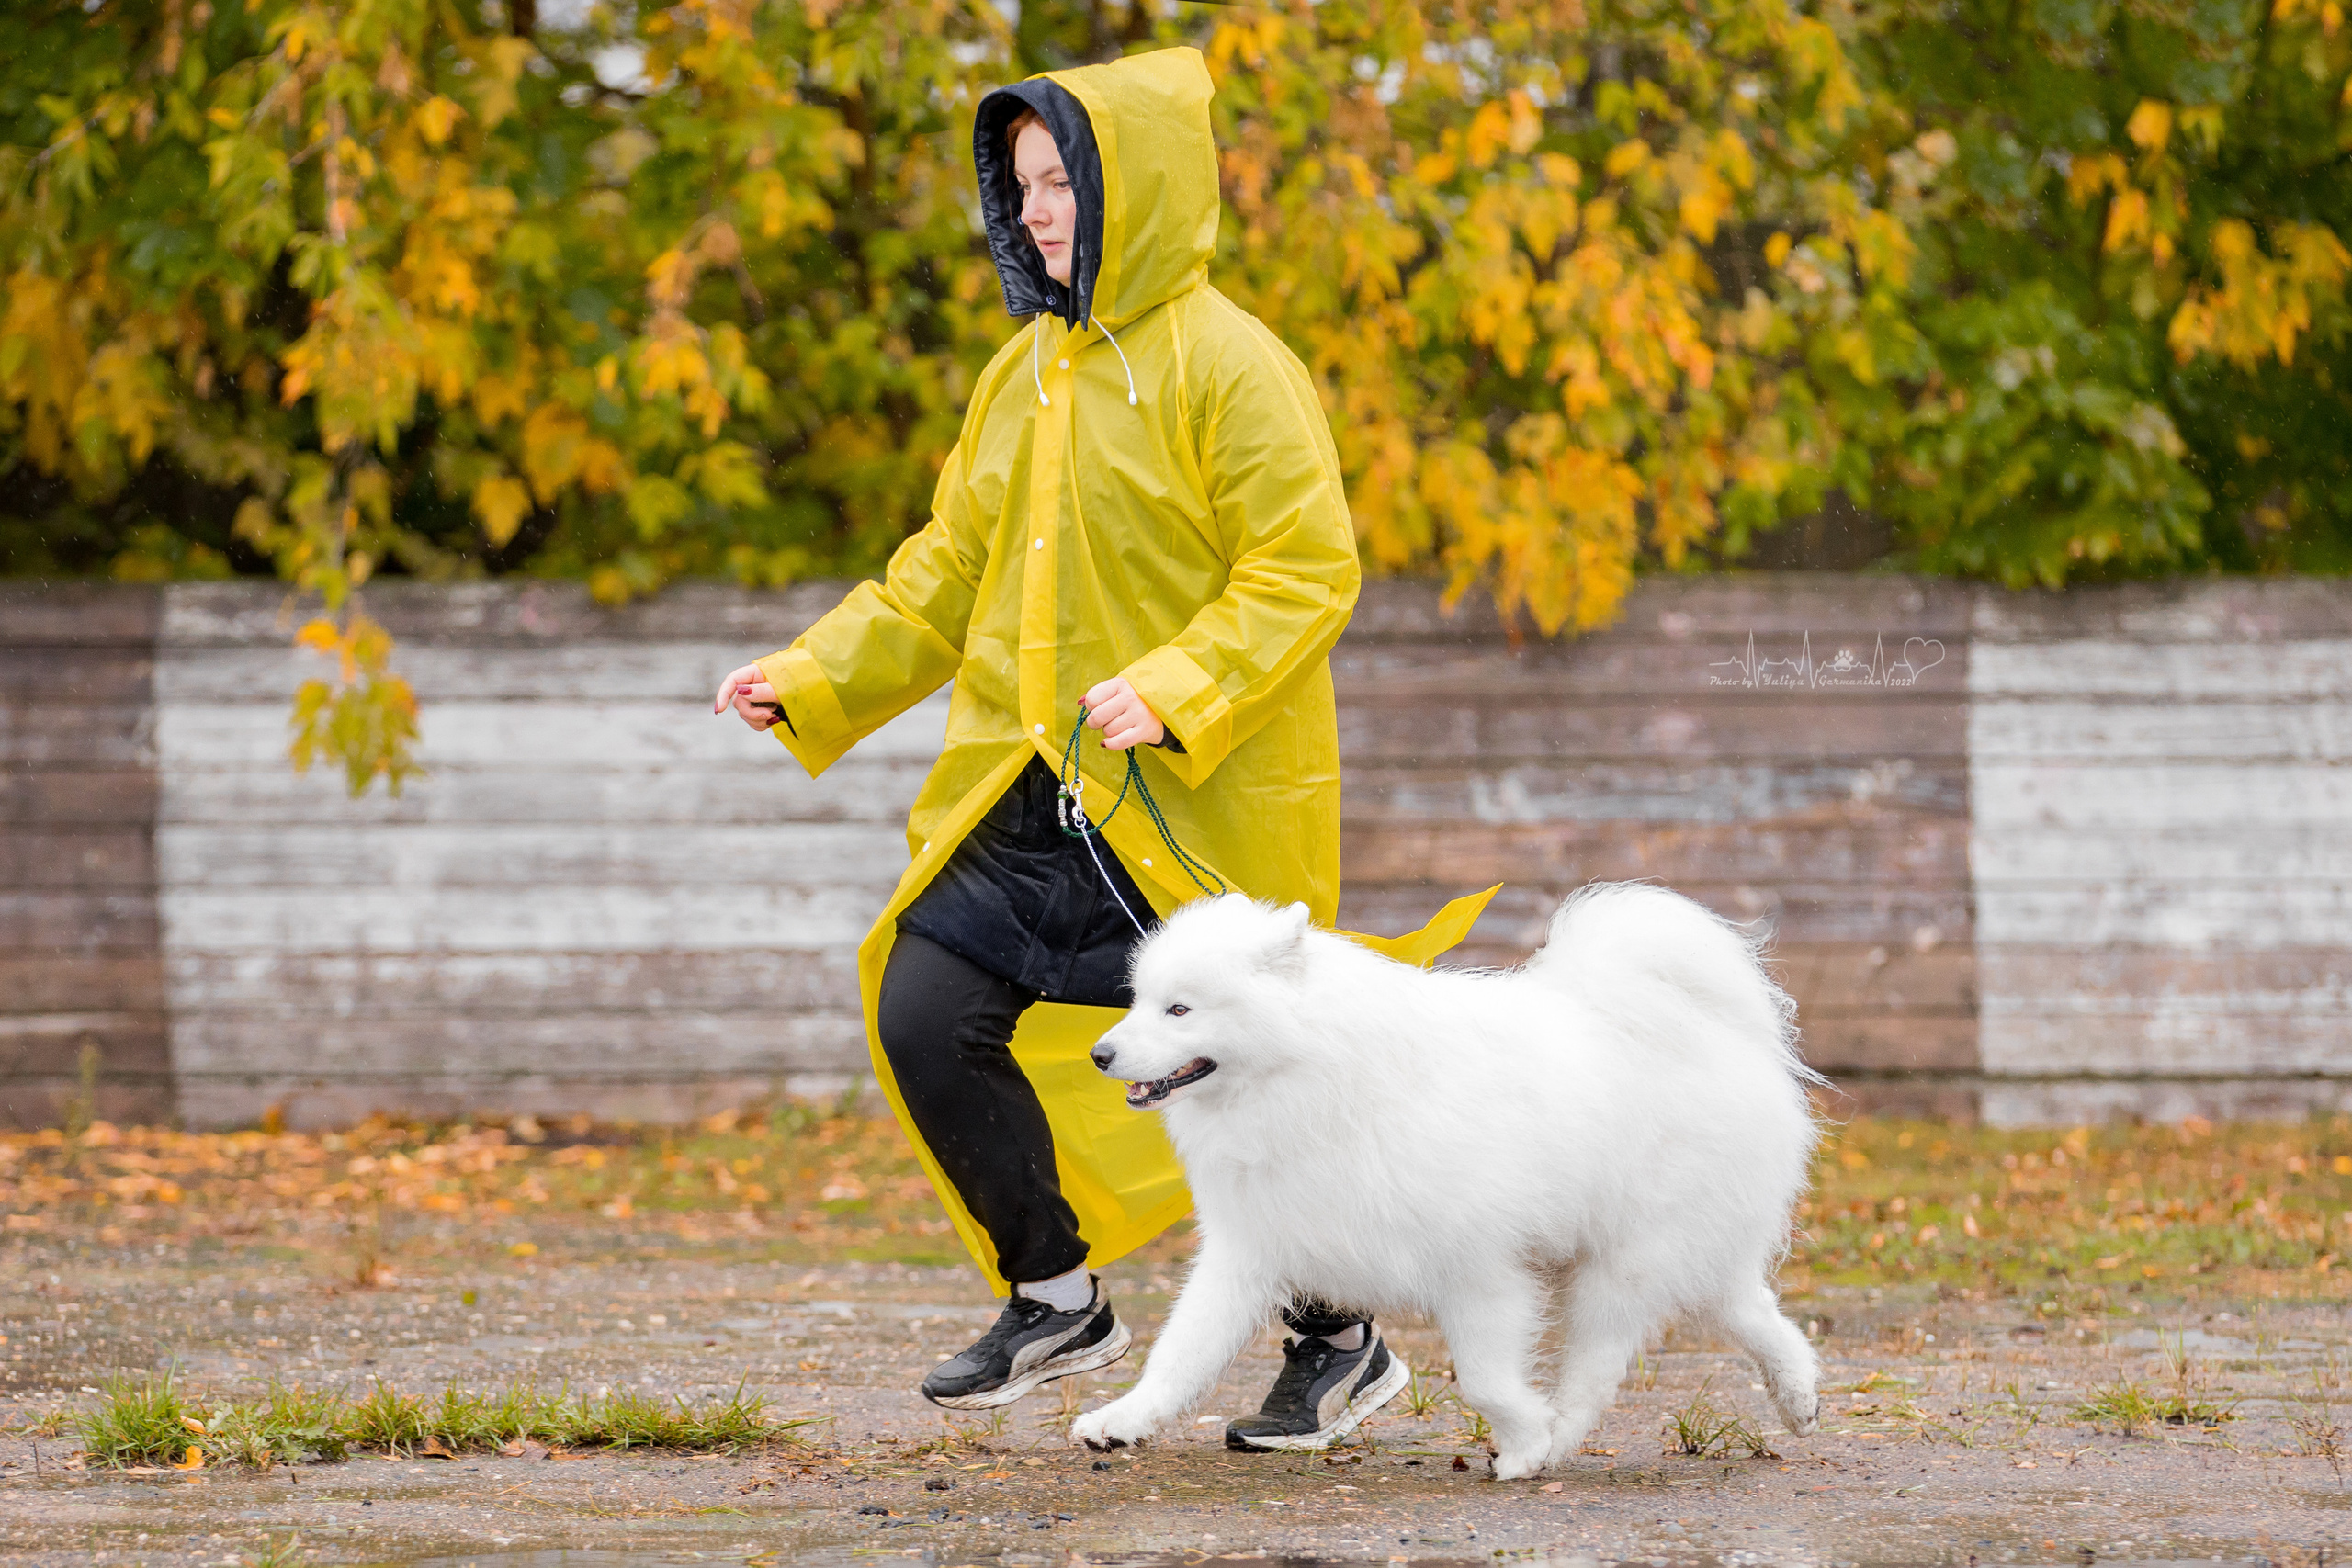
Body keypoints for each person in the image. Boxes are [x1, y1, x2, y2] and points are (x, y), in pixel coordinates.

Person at [710, 46, 1407, 1451]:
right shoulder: (1020, 372)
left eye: (1062, 182)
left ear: (1129, 186)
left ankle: (1339, 1339)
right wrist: (812, 676)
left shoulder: (1235, 366)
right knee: (923, 1012)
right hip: (1035, 795)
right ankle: (1056, 1294)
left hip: (1189, 804)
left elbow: (1304, 568)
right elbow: (943, 571)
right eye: (1021, 186)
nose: (1036, 213)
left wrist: (1182, 684)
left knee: (1276, 1080)